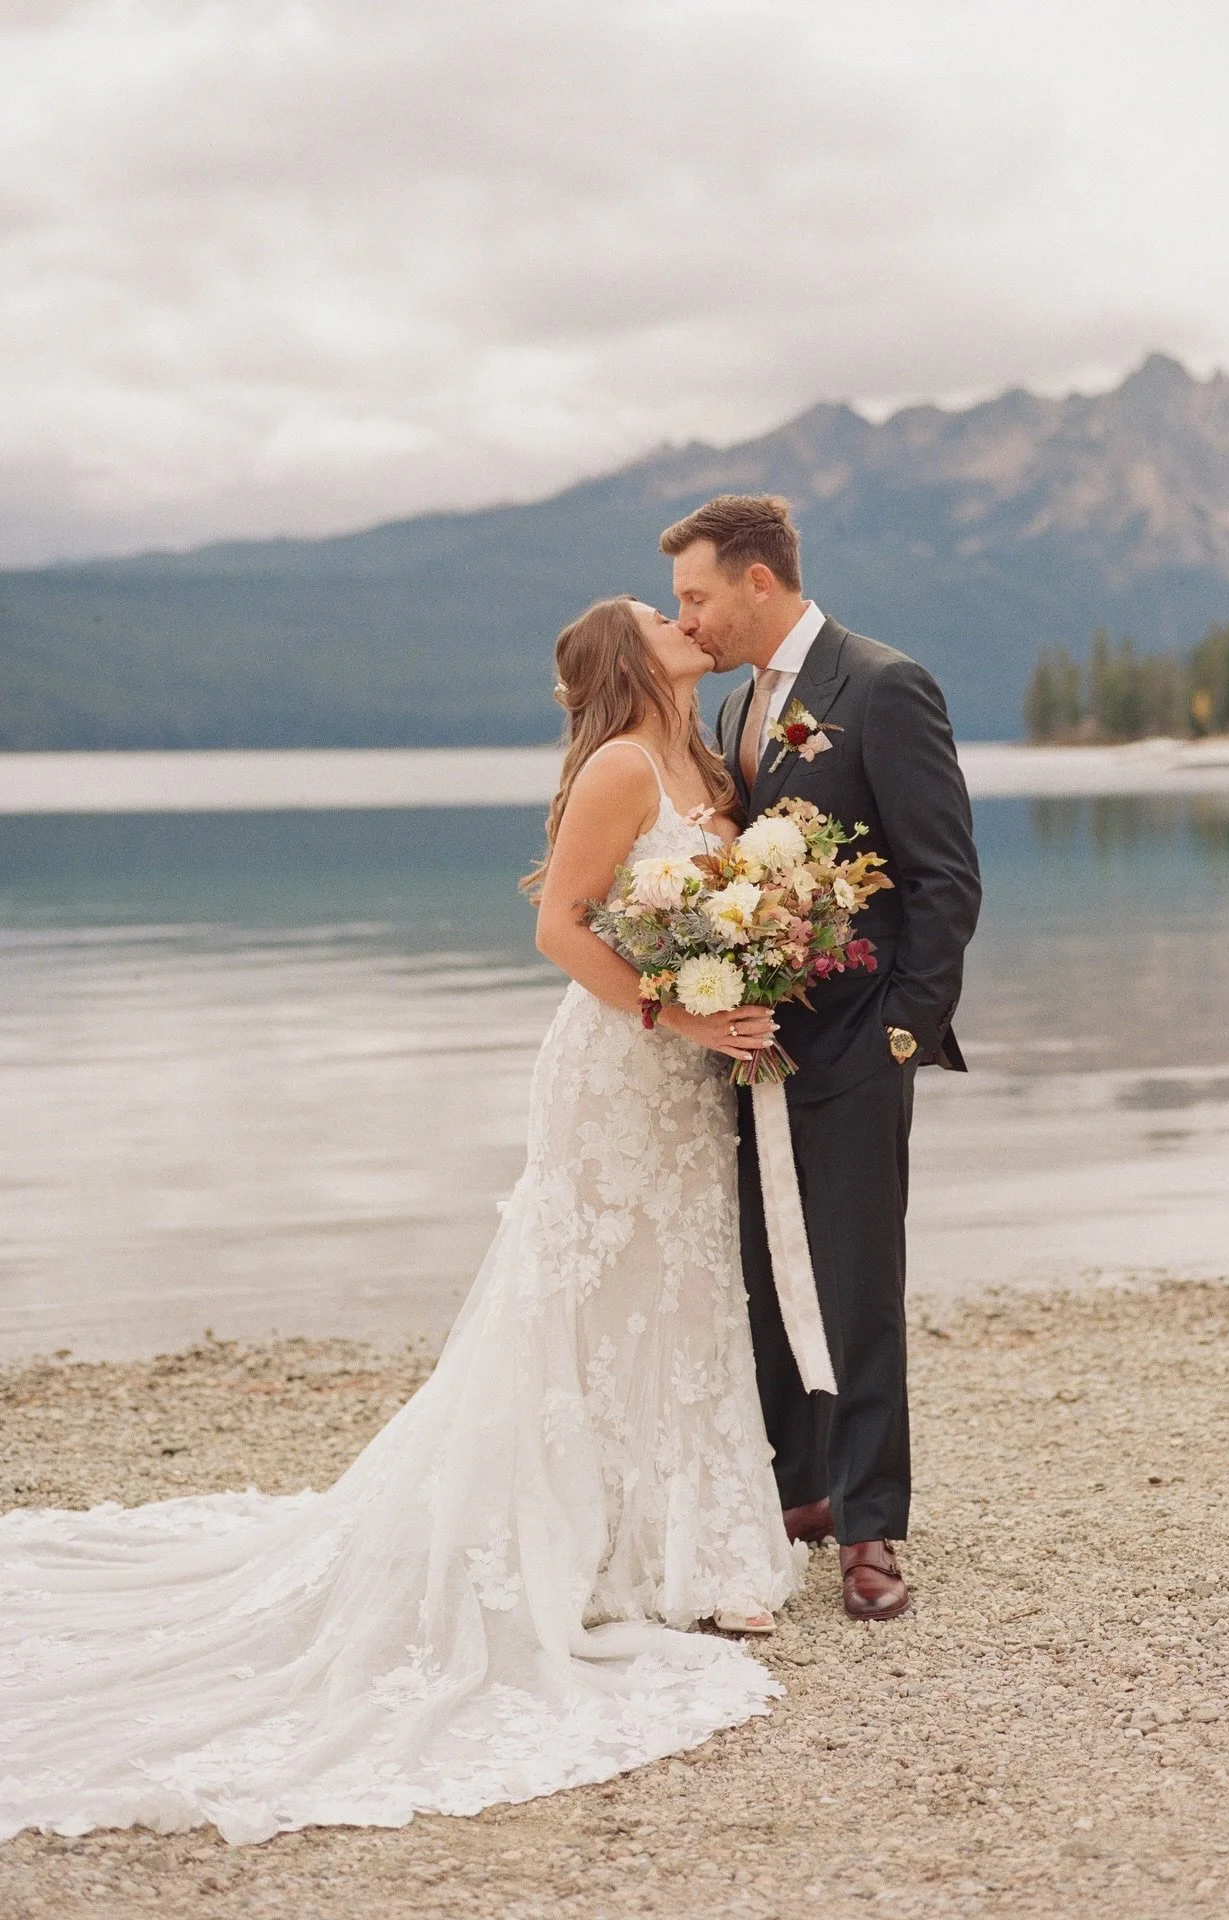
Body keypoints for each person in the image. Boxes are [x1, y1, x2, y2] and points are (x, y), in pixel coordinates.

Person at [0, 597, 803, 1848]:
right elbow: (560, 926)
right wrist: (685, 1015)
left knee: (688, 1292)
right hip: (619, 1071)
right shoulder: (619, 765)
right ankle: (585, 1554)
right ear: (627, 659)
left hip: (690, 1092)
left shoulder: (706, 759)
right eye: (663, 613)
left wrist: (751, 965)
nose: (685, 619)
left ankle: (692, 1554)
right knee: (588, 1295)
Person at [663, 494, 982, 1622]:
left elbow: (944, 878)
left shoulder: (882, 686)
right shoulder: (747, 704)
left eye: (695, 595)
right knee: (766, 1268)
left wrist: (903, 1028)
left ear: (760, 581)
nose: (685, 619)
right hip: (753, 1048)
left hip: (859, 1040)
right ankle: (802, 1491)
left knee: (857, 1284)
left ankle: (872, 1530)